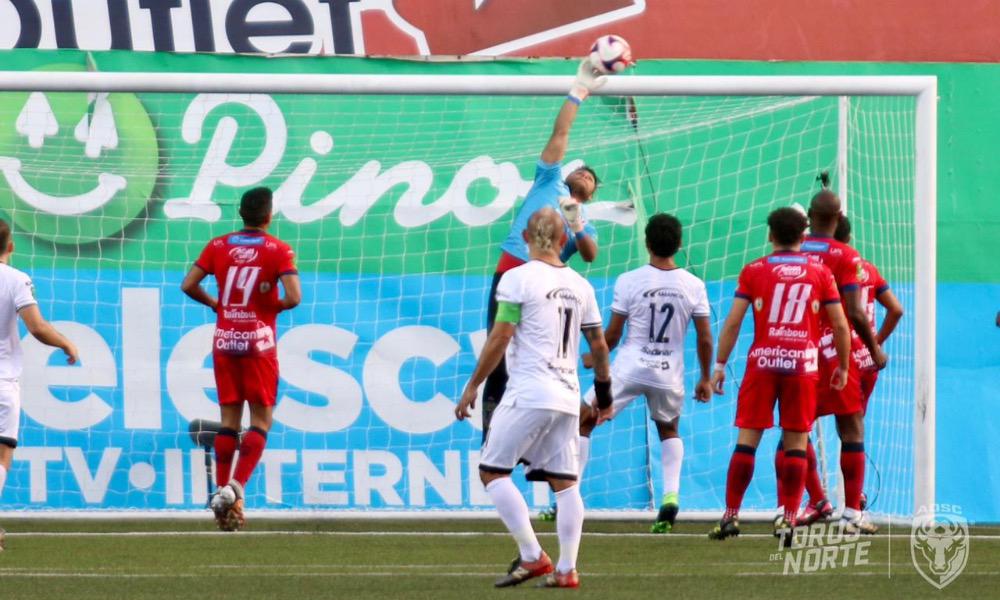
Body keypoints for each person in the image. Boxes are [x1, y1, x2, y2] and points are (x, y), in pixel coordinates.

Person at [456, 208, 612, 589]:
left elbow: (501, 335)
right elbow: (599, 345)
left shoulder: (516, 278)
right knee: (565, 484)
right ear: (564, 241)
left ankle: (532, 556)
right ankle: (567, 569)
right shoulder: (581, 285)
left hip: (530, 391)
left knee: (492, 471)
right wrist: (604, 395)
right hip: (567, 395)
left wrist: (474, 384)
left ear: (525, 236)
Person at [481, 59, 610, 442]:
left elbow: (589, 255)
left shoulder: (585, 218)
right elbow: (562, 131)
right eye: (581, 170)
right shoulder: (549, 179)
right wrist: (580, 90)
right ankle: (493, 435)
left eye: (592, 177)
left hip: (547, 291)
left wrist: (576, 223)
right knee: (498, 356)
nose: (585, 174)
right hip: (511, 273)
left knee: (544, 363)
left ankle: (548, 437)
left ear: (593, 194)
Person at [708, 207, 851, 542]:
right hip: (802, 365)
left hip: (763, 363)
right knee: (796, 442)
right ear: (804, 236)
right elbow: (841, 324)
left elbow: (732, 321)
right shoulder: (820, 272)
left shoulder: (754, 270)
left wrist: (719, 365)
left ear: (770, 235)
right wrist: (843, 366)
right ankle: (788, 518)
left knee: (748, 440)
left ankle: (730, 516)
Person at [577, 213, 714, 534]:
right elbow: (705, 337)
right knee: (669, 429)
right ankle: (671, 496)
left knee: (582, 420)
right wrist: (706, 377)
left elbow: (610, 337)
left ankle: (566, 497)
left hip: (629, 368)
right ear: (679, 244)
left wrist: (590, 357)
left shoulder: (629, 280)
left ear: (647, 242)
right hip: (669, 372)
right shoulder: (694, 285)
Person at [181, 187, 301, 531]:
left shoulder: (219, 245)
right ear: (269, 214)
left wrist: (218, 305)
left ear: (240, 213)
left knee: (229, 422)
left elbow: (188, 284)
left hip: (225, 340)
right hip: (258, 345)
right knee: (261, 421)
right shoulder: (279, 250)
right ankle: (236, 488)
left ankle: (221, 490)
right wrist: (267, 307)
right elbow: (294, 297)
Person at [782, 190, 886, 534]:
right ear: (839, 217)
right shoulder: (847, 255)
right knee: (851, 426)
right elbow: (855, 312)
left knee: (793, 434)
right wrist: (874, 350)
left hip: (797, 349)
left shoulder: (792, 251)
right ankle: (852, 512)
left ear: (809, 217)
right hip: (835, 351)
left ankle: (803, 505)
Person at [0, 219, 78, 551]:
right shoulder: (17, 280)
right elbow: (37, 327)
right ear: (11, 245)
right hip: (2, 381)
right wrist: (66, 344)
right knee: (2, 453)